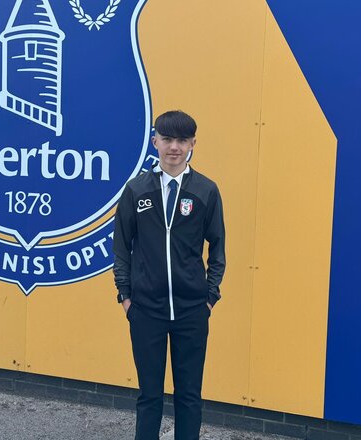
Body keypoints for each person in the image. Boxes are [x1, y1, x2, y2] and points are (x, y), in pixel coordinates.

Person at [113, 110, 226, 440]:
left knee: (189, 397)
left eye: (181, 140)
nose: (174, 147)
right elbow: (122, 246)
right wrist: (126, 296)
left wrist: (210, 296)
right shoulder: (136, 190)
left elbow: (218, 248)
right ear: (155, 142)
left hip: (192, 311)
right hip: (146, 310)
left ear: (193, 143)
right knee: (149, 397)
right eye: (167, 139)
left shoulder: (206, 191)